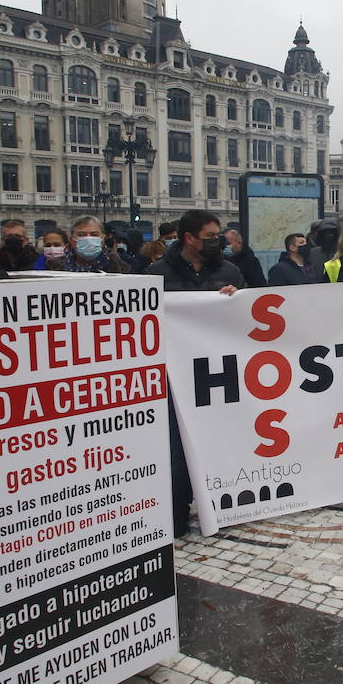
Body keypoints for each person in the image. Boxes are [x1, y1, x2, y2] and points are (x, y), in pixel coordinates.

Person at [145, 210, 243, 537]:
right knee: (175, 449)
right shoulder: (155, 275)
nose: (218, 242)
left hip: (218, 374)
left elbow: (248, 318)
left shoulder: (230, 271)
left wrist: (235, 300)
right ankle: (175, 513)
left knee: (220, 440)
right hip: (173, 379)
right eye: (211, 236)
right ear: (189, 238)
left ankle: (223, 502)